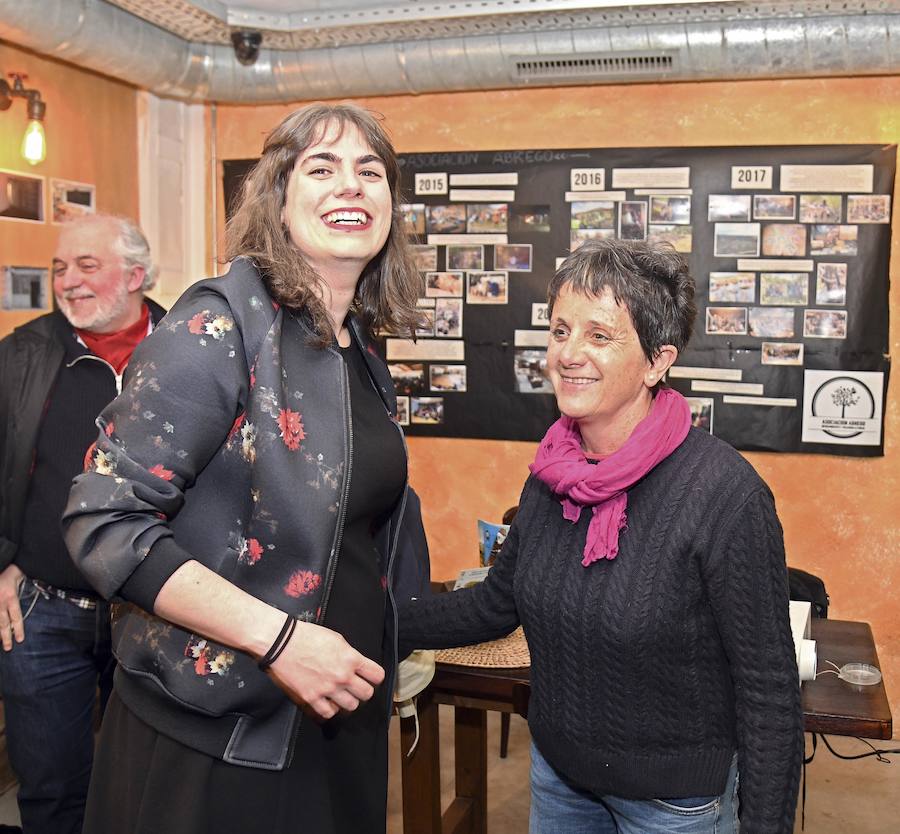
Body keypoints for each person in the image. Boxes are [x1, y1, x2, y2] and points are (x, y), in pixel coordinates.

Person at [62, 103, 426, 834]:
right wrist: (281, 640)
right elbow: (101, 522)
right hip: (221, 731)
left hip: (334, 712)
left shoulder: (353, 345)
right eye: (321, 169)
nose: (349, 187)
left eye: (370, 172)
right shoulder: (217, 324)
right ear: (278, 199)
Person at [399, 238, 803, 834]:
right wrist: (374, 620)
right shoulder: (551, 474)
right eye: (561, 331)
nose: (568, 354)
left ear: (658, 361)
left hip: (673, 804)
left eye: (599, 335)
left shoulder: (724, 494)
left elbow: (768, 689)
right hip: (560, 779)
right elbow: (495, 605)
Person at [0, 213, 164, 834]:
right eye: (59, 268)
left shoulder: (190, 348)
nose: (67, 281)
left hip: (158, 609)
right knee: (51, 792)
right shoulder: (21, 355)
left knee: (150, 786)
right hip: (40, 610)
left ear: (136, 276)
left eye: (85, 266)